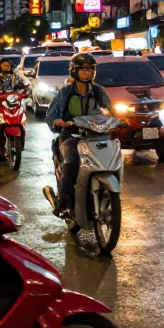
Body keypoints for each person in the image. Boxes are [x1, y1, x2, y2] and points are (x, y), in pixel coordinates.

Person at [46, 53, 113, 212]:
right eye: (83, 70)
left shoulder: (99, 91)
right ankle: (62, 201)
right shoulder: (65, 92)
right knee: (72, 162)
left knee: (109, 159)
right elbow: (51, 114)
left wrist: (114, 117)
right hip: (71, 136)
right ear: (74, 71)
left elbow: (111, 109)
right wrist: (56, 121)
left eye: (90, 69)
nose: (87, 73)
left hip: (95, 135)